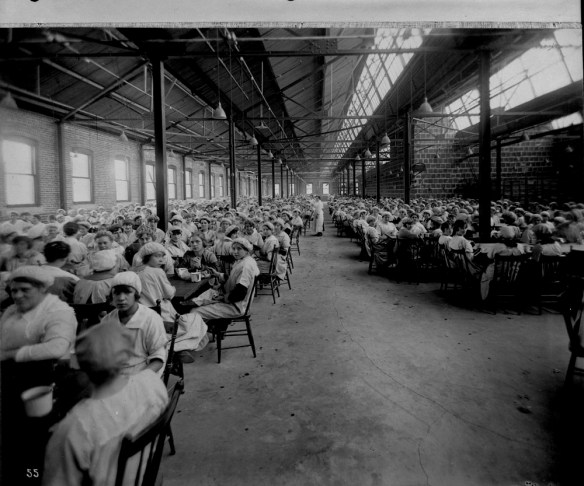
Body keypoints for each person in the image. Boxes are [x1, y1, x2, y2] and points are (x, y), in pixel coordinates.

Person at [42, 322, 168, 486]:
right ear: (126, 355)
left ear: (82, 365)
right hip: (147, 476)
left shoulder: (74, 428)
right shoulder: (152, 383)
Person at [99, 272, 167, 376]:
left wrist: (138, 379)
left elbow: (158, 359)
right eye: (116, 293)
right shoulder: (107, 321)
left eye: (127, 292)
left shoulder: (150, 319)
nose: (121, 298)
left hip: (143, 373)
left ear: (136, 295)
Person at [190, 238, 259, 320]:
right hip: (235, 301)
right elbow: (234, 279)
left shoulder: (246, 266)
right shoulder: (245, 260)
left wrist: (222, 298)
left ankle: (212, 329)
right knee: (202, 299)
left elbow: (240, 293)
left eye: (239, 249)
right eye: (233, 248)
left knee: (194, 311)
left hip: (236, 306)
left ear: (247, 250)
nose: (235, 252)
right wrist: (218, 274)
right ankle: (216, 328)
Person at [136, 243, 178, 322]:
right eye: (157, 256)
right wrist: (173, 288)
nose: (161, 259)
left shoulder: (138, 271)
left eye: (162, 256)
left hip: (144, 313)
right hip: (161, 313)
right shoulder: (158, 271)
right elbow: (168, 294)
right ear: (147, 257)